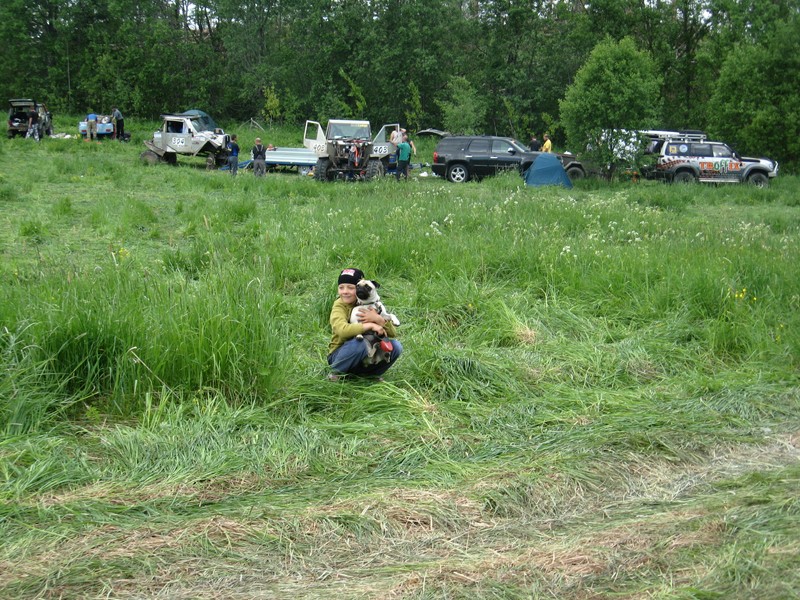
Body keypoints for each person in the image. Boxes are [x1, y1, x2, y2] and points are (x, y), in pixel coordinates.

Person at [327, 267, 402, 381]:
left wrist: (379, 320)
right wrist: (371, 325)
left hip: (366, 354)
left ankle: (370, 375)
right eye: (341, 287)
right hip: (340, 355)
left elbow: (393, 333)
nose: (345, 291)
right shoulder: (339, 306)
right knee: (360, 343)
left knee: (396, 346)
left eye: (350, 288)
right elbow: (342, 331)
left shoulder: (371, 304)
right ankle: (335, 373)